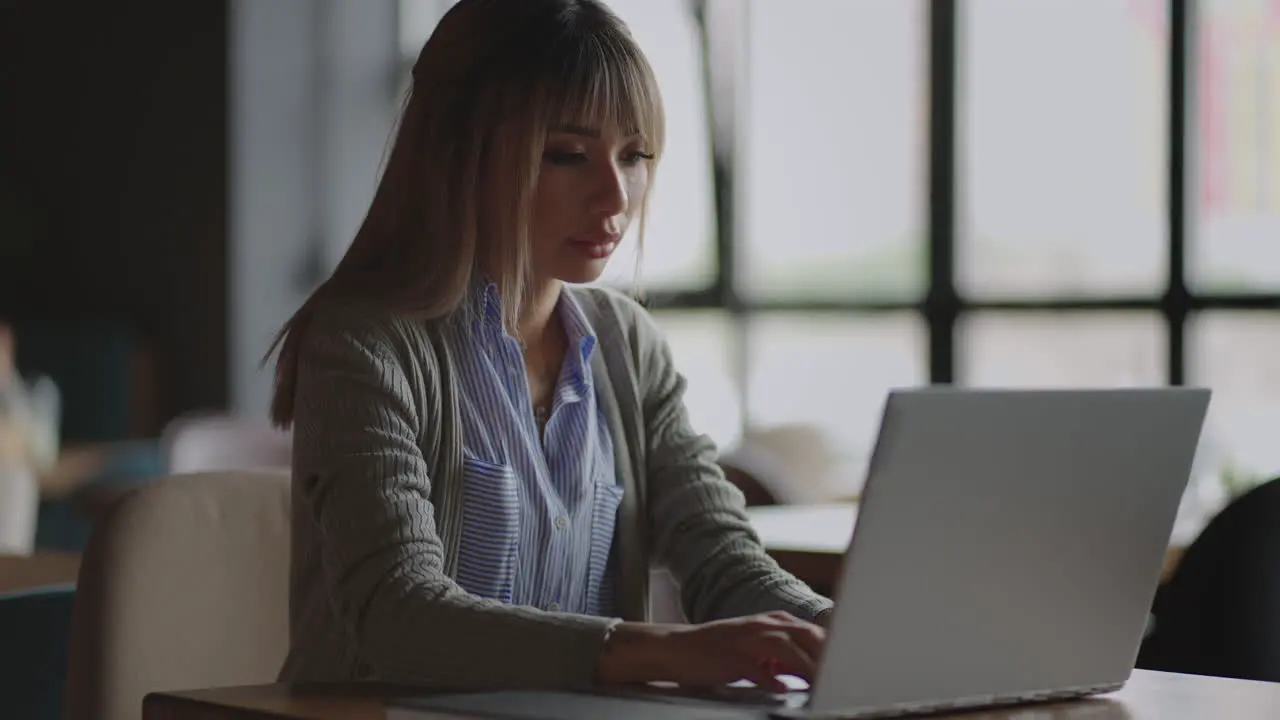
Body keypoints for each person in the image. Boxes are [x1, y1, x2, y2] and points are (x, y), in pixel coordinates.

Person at [267, 0, 833, 693]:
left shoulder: (628, 346)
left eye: (634, 156)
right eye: (566, 155)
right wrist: (666, 651)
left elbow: (722, 560)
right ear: (458, 152)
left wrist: (847, 638)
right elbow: (399, 616)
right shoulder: (362, 343)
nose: (614, 197)